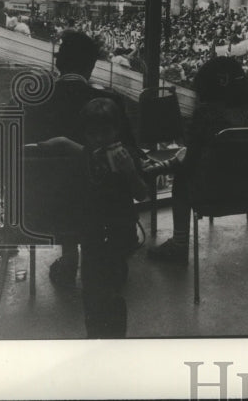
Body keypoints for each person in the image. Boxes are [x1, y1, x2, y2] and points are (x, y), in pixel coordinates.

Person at [23, 30, 134, 288]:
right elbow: (127, 157)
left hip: (40, 209)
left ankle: (70, 256)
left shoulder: (30, 101)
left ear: (58, 63)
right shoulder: (109, 102)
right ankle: (106, 257)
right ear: (92, 65)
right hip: (99, 211)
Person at [147, 56, 248, 262]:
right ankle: (160, 167)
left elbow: (190, 163)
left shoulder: (206, 113)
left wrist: (173, 164)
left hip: (214, 193)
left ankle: (180, 244)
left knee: (181, 177)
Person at [77, 98, 147, 337]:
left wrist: (129, 171)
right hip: (93, 231)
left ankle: (113, 334)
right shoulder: (83, 157)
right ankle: (95, 333)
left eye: (105, 131)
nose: (99, 138)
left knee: (110, 287)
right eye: (92, 133)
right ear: (85, 134)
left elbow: (142, 193)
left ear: (116, 130)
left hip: (119, 230)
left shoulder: (127, 156)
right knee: (91, 288)